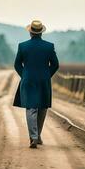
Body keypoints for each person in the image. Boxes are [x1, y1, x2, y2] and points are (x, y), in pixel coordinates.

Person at [13, 20, 59, 148]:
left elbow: (17, 64)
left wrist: (25, 75)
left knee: (31, 108)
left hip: (28, 81)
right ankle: (37, 136)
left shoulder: (22, 46)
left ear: (30, 32)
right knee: (42, 108)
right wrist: (46, 75)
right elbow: (55, 65)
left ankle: (34, 137)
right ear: (41, 33)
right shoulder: (49, 46)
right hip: (44, 81)